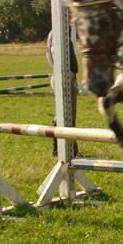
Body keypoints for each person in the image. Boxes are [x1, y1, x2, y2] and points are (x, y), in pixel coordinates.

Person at [45, 29, 79, 157]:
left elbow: (48, 53)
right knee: (69, 116)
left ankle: (58, 149)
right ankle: (71, 152)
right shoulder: (59, 32)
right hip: (65, 77)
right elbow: (53, 51)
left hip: (60, 76)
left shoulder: (53, 32)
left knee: (63, 114)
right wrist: (66, 71)